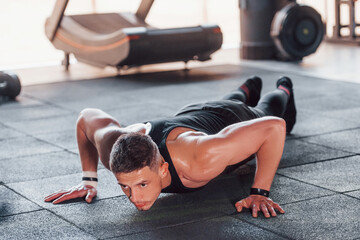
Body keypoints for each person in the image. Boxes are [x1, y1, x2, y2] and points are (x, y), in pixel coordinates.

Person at [44, 76, 296, 218]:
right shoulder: (114, 150)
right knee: (223, 101)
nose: (135, 198)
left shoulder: (201, 158)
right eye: (125, 187)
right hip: (191, 114)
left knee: (266, 110)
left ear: (164, 169)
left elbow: (273, 127)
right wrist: (89, 180)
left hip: (230, 120)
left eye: (142, 184)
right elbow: (85, 116)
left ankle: (283, 87)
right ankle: (246, 87)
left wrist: (260, 192)